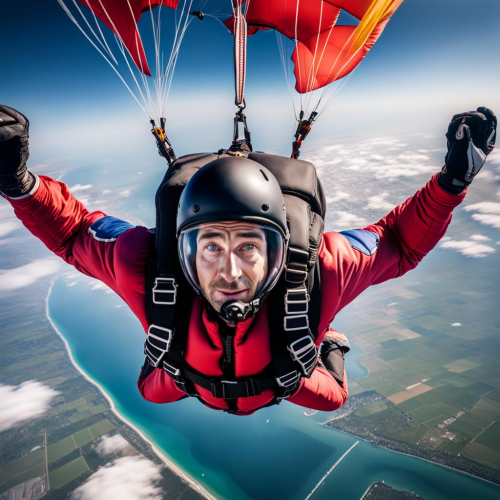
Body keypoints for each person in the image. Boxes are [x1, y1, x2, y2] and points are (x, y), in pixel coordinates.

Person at [0, 104, 496, 416]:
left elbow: (397, 242)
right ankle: (325, 340)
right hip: (183, 376)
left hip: (270, 375)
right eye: (211, 246)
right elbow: (74, 229)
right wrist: (17, 182)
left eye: (249, 247)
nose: (230, 272)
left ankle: (329, 344)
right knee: (149, 390)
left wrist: (453, 180)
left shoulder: (319, 268)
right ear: (183, 248)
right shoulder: (149, 265)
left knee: (337, 397)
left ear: (280, 249)